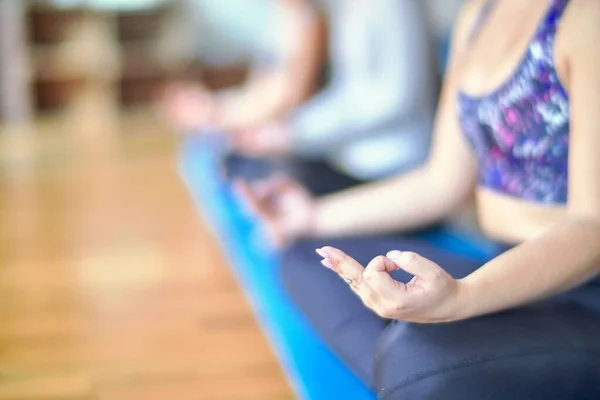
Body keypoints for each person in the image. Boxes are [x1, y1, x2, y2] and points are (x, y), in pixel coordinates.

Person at [236, 0, 600, 398]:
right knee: (306, 253)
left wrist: (463, 297)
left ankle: (413, 373)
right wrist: (310, 217)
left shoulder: (586, 18)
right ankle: (410, 377)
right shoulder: (478, 16)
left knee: (417, 357)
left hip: (581, 293)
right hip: (499, 267)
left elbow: (592, 228)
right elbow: (439, 182)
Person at [229, 0, 438, 193]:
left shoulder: (394, 6)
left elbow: (395, 100)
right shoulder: (346, 7)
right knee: (246, 167)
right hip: (351, 156)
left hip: (394, 165)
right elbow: (345, 94)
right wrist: (293, 130)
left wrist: (299, 133)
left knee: (270, 182)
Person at [159, 0, 324, 133]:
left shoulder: (233, 106)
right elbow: (290, 91)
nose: (193, 95)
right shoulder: (237, 116)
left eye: (187, 96)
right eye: (186, 104)